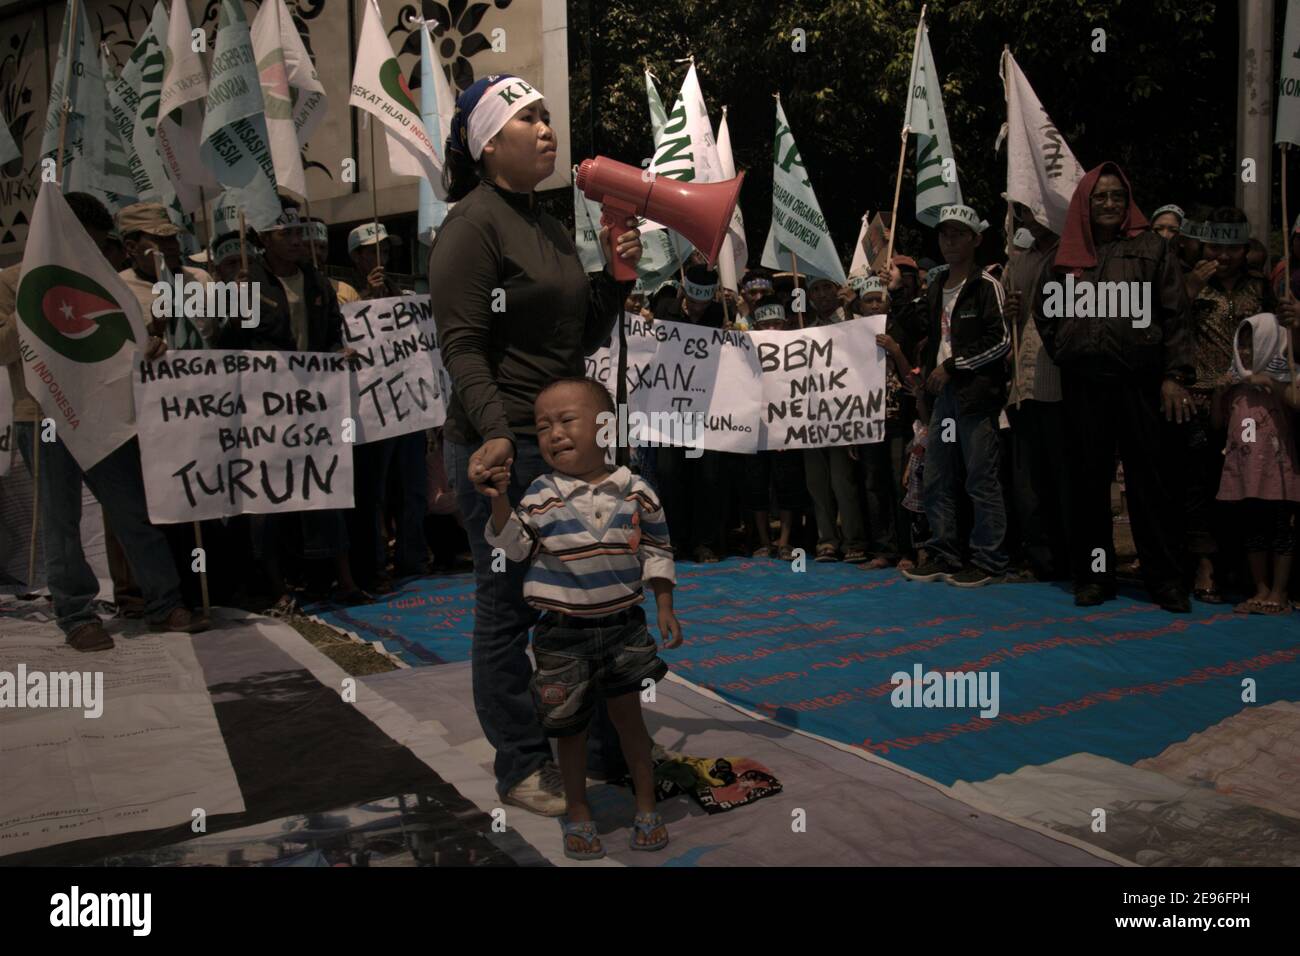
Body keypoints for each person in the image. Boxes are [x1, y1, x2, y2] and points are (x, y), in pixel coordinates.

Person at [429, 73, 642, 815]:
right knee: (509, 606)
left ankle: (601, 745)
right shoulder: (471, 226)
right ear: (490, 142)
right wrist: (495, 434)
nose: (549, 130)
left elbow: (575, 339)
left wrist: (616, 280)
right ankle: (522, 765)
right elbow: (461, 348)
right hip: (504, 447)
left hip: (559, 444)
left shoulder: (549, 224)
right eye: (530, 120)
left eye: (550, 118)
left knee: (584, 597)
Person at [484, 377, 681, 859]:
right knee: (567, 730)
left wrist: (663, 604)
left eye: (566, 421)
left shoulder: (637, 490)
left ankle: (646, 806)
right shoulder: (538, 494)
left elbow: (658, 547)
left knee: (629, 722)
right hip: (560, 636)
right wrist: (498, 500)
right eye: (543, 425)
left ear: (606, 426)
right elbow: (514, 546)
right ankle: (578, 812)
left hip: (624, 629)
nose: (553, 433)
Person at [0, 192, 207, 650]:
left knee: (133, 508)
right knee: (61, 520)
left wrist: (146, 350)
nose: (89, 251)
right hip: (42, 418)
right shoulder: (12, 283)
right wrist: (33, 306)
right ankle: (76, 614)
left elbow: (122, 346)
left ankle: (163, 602)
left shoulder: (103, 284)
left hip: (103, 413)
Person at [1033, 162, 1195, 612]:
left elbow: (1177, 315)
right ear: (1085, 202)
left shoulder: (1150, 249)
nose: (1108, 204)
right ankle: (1094, 578)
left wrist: (1175, 375)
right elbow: (1044, 314)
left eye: (1116, 196)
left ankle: (1165, 581)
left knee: (1151, 485)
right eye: (1099, 196)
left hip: (1141, 384)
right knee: (1088, 486)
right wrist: (1068, 349)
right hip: (1085, 386)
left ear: (1128, 202)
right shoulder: (1063, 256)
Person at [215, 196, 364, 612]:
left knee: (326, 486)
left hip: (315, 404)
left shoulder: (317, 281)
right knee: (269, 497)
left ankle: (342, 579)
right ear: (263, 238)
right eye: (287, 233)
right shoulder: (247, 284)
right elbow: (223, 345)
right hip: (265, 409)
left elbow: (333, 332)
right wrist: (236, 304)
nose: (298, 240)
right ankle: (274, 587)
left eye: (300, 231)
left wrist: (339, 351)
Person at [903, 204, 1011, 587]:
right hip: (942, 401)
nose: (949, 240)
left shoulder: (987, 286)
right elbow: (929, 338)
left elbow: (1000, 341)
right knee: (937, 477)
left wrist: (953, 367)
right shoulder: (935, 287)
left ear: (976, 239)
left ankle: (988, 559)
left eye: (958, 234)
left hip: (975, 398)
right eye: (944, 234)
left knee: (981, 478)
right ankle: (944, 553)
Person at [1183, 207, 1274, 601]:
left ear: (1244, 247)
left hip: (1249, 402)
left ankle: (1242, 568)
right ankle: (1205, 566)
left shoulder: (1262, 287)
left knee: (1244, 486)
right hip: (1200, 399)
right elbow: (1158, 327)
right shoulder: (1188, 283)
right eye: (1214, 246)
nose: (1222, 256)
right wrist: (1186, 290)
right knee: (1201, 484)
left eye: (1231, 247)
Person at [1212, 313, 1300, 615]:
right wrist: (1220, 392)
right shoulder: (1235, 382)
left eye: (1254, 344)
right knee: (1254, 532)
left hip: (1278, 472)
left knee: (1282, 531)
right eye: (1243, 345)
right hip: (1245, 475)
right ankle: (1260, 589)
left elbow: (1296, 401)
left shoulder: (1286, 375)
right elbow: (1216, 422)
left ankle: (1280, 591)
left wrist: (1270, 382)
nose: (1247, 352)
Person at [1003, 202, 1070, 581]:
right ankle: (1040, 559)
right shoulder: (1020, 259)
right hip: (1023, 382)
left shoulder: (1077, 254)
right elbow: (1014, 319)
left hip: (1061, 382)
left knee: (1064, 477)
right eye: (1025, 210)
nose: (1033, 216)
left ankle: (1072, 558)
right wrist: (1009, 309)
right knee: (1027, 481)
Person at [654, 263, 730, 562]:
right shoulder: (664, 309)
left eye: (704, 302)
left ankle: (704, 542)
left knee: (706, 476)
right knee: (669, 474)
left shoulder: (718, 315)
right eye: (693, 301)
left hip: (704, 413)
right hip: (668, 413)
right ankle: (674, 540)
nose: (698, 309)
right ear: (684, 292)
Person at [801, 274, 867, 563]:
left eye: (827, 287)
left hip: (843, 415)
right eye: (815, 289)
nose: (822, 294)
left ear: (837, 289)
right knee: (817, 482)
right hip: (810, 417)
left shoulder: (853, 322)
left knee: (843, 481)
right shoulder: (804, 329)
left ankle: (854, 540)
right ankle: (827, 540)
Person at [746, 298, 806, 560]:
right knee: (757, 487)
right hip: (753, 430)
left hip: (785, 428)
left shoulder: (797, 348)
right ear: (756, 325)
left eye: (777, 324)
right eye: (765, 324)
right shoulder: (744, 349)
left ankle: (784, 541)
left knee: (786, 485)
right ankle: (763, 541)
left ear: (785, 324)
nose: (771, 329)